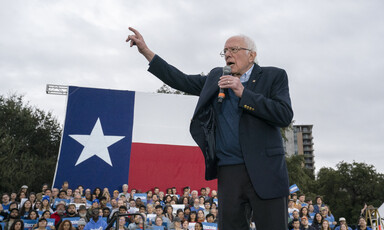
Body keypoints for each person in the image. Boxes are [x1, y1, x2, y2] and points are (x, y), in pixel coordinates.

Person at [126, 26, 293, 230]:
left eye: (234, 49)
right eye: (225, 51)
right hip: (229, 170)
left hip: (265, 169)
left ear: (252, 55)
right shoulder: (216, 78)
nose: (228, 55)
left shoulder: (274, 76)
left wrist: (243, 93)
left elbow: (284, 115)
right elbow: (181, 80)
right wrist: (146, 52)